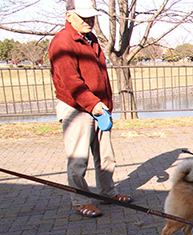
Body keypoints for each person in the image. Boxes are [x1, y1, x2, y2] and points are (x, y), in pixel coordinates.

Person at [48, 0, 132, 217]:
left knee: (106, 156)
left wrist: (105, 105)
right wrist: (92, 103)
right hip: (76, 108)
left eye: (91, 16)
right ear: (68, 16)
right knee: (78, 159)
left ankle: (107, 192)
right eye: (83, 16)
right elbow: (71, 82)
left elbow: (101, 77)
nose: (88, 21)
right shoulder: (62, 42)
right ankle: (81, 200)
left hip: (99, 107)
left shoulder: (91, 39)